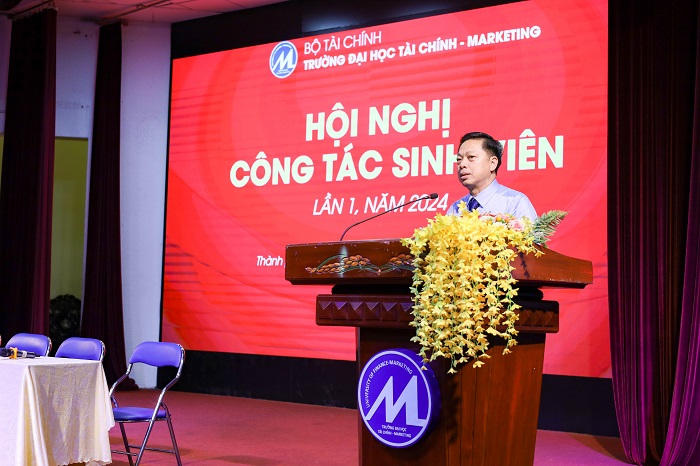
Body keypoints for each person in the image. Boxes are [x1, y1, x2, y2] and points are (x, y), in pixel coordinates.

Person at [446, 131, 537, 221]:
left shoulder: (515, 202)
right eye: (459, 159)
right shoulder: (455, 209)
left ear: (492, 163)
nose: (462, 164)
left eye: (471, 157)